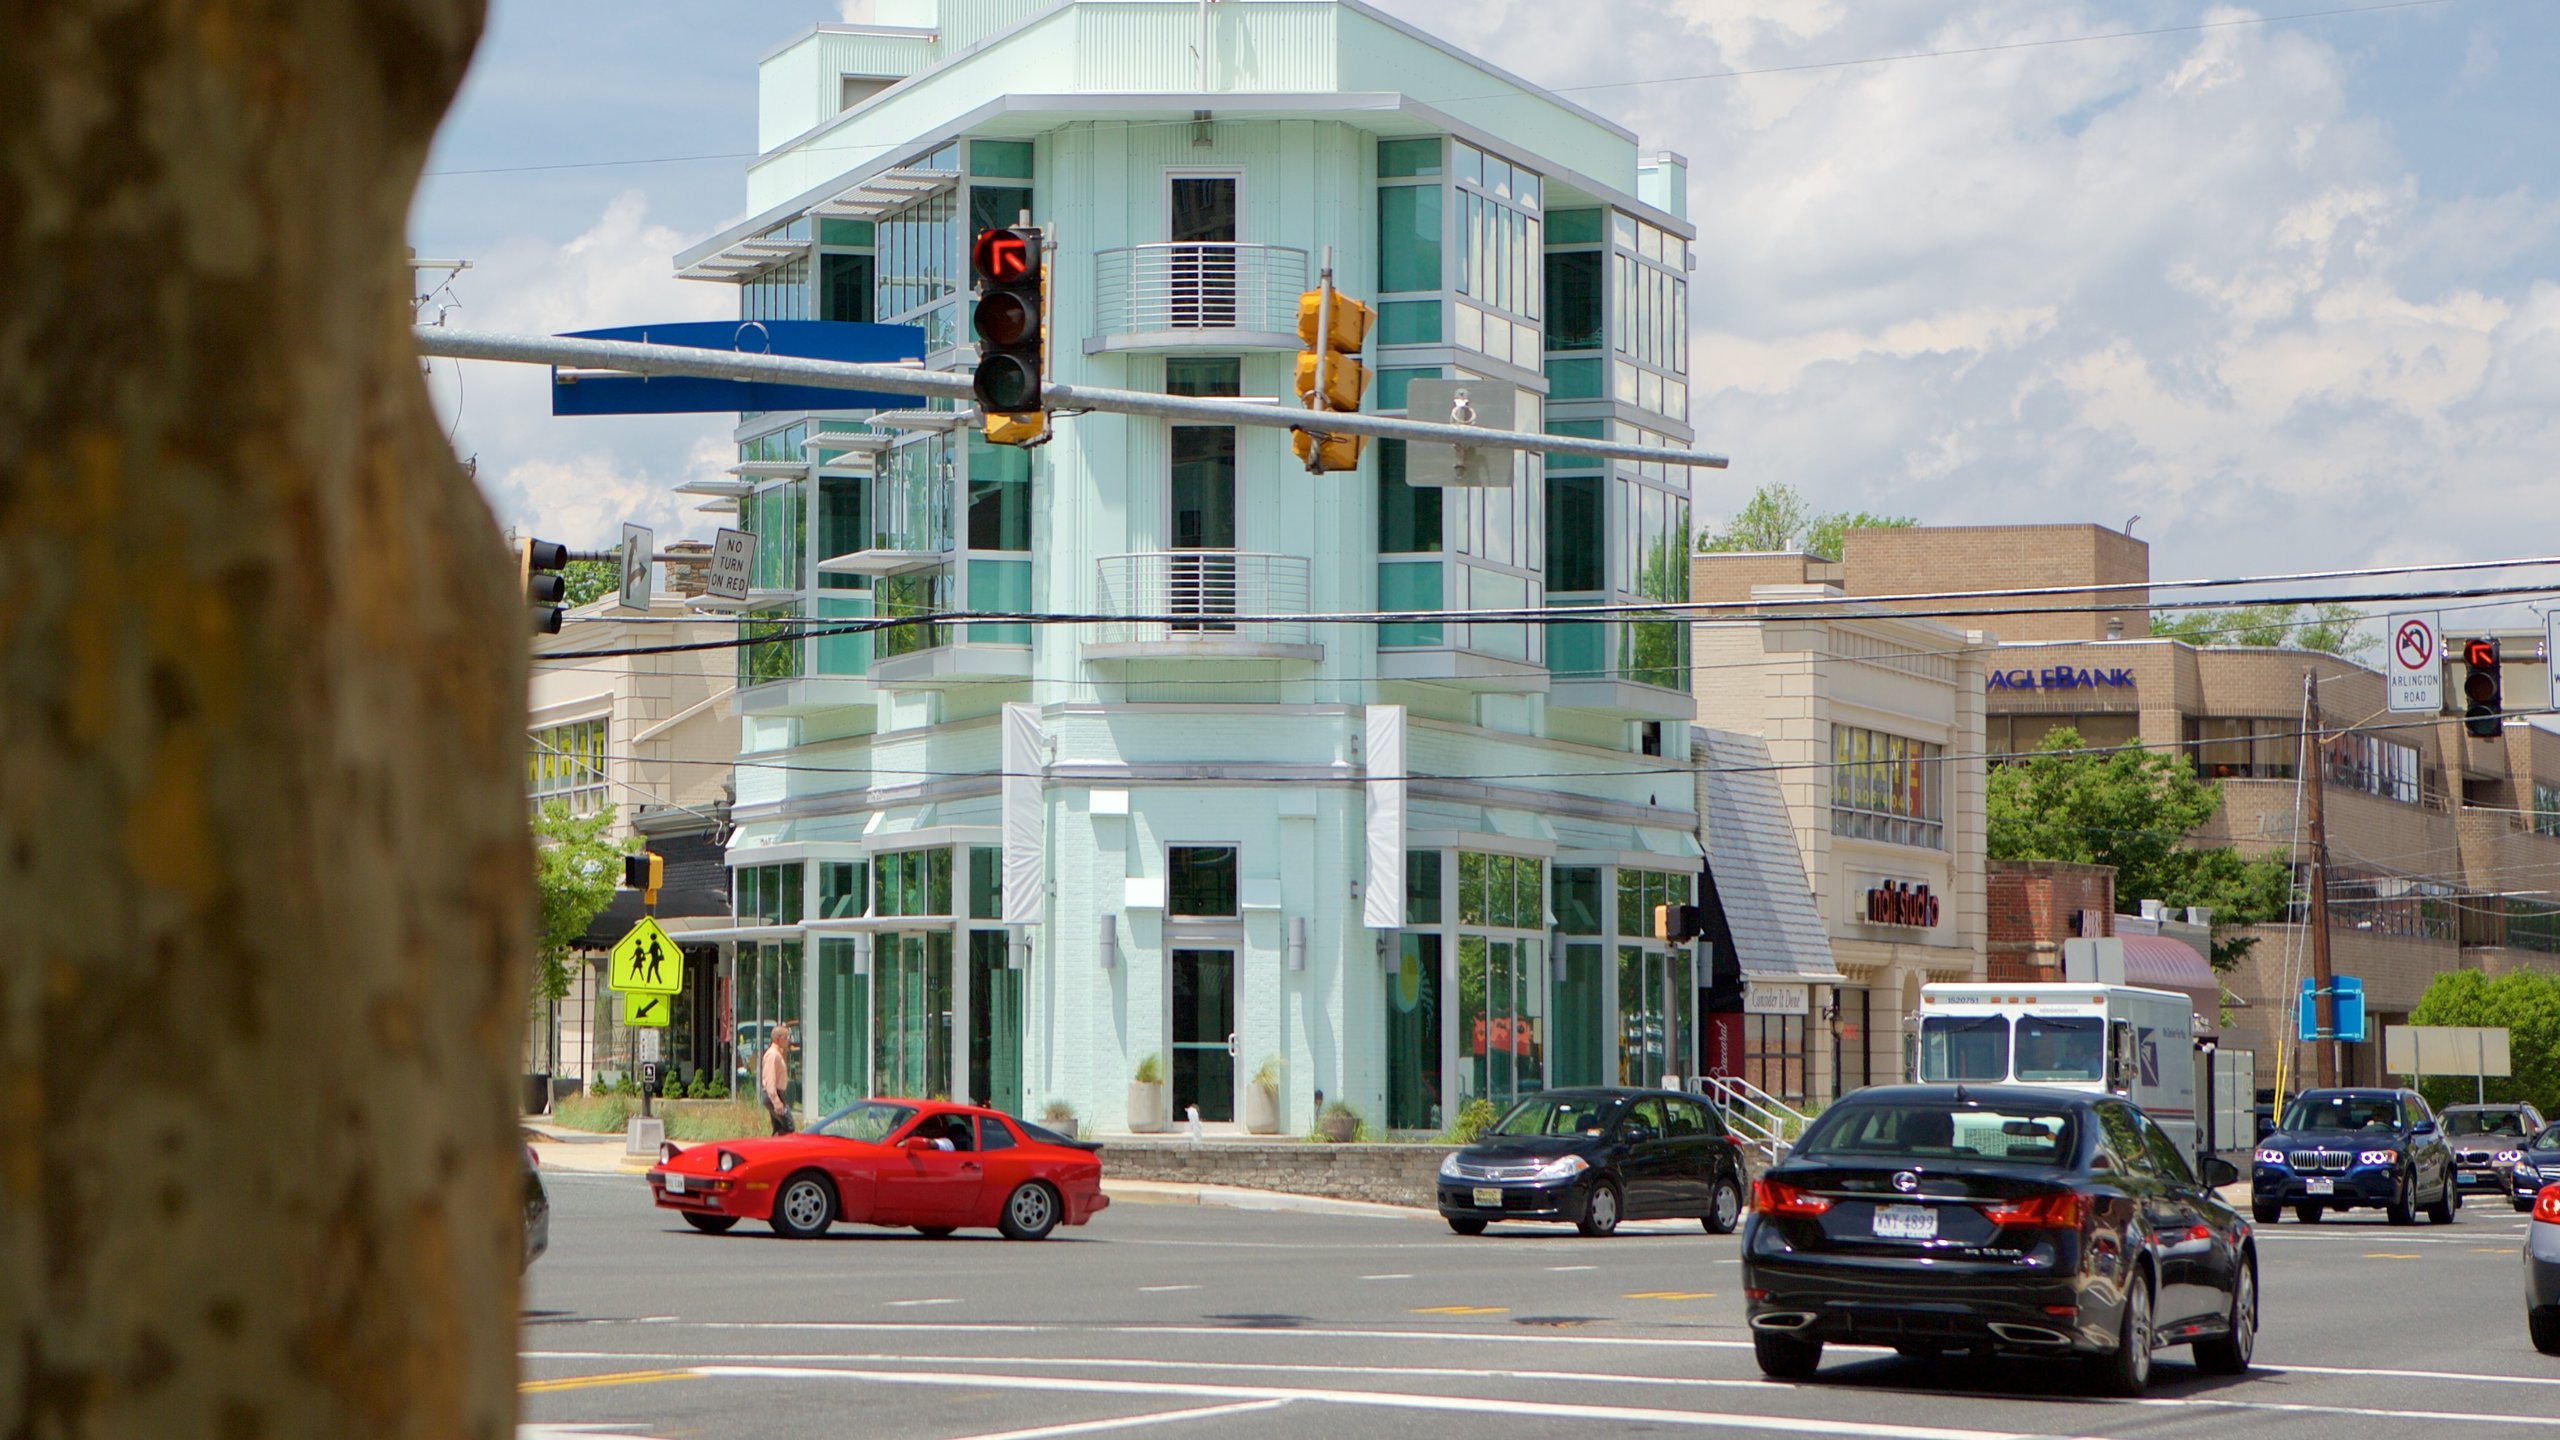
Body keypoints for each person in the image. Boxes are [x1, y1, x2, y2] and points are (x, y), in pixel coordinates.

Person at [760, 1023, 795, 1135]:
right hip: (774, 1094)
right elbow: (770, 1080)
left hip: (777, 1093)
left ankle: (773, 1149)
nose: (788, 1040)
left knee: (779, 1127)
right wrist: (777, 1101)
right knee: (789, 1127)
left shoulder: (778, 1054)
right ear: (778, 1039)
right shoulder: (772, 1055)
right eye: (786, 1037)